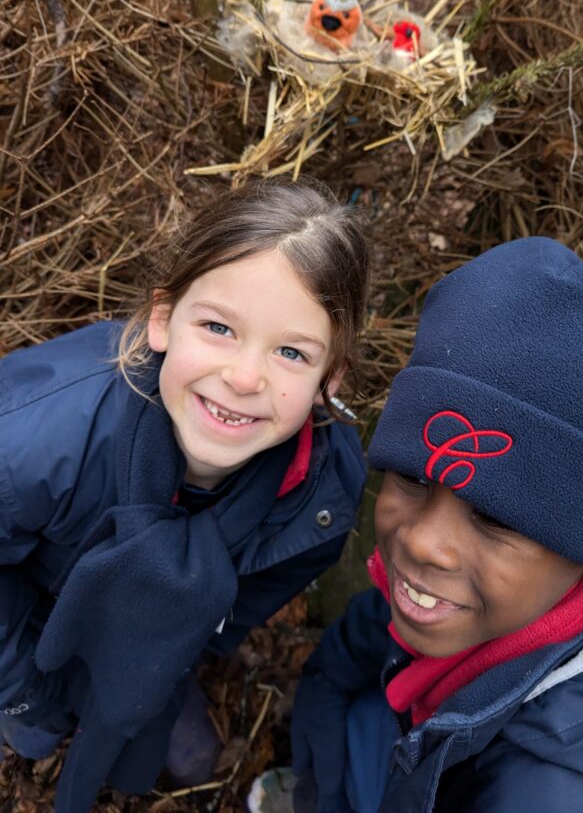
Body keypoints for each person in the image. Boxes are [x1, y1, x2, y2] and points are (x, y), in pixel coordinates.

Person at [289, 237, 583, 813]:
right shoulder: (490, 605)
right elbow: (363, 639)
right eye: (413, 476)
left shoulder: (552, 797)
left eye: (493, 516)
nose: (421, 540)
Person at [0, 178, 370, 813]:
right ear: (163, 319)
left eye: (290, 352)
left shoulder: (323, 492)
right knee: (35, 729)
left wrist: (176, 654)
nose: (244, 377)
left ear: (328, 377)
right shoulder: (37, 440)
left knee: (191, 757)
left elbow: (248, 604)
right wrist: (21, 684)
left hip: (166, 639)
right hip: (30, 617)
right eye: (219, 328)